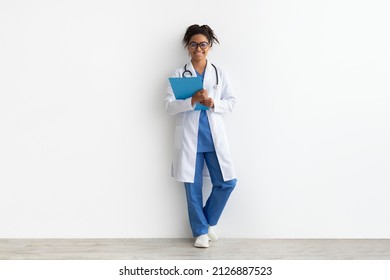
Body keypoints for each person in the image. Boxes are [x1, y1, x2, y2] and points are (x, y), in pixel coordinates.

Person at [164, 24, 237, 248]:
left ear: (210, 46)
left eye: (203, 44)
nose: (198, 48)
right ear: (188, 46)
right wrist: (192, 101)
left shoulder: (219, 72)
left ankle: (208, 223)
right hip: (190, 139)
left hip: (213, 138)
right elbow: (168, 107)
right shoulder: (178, 74)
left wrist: (214, 103)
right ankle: (200, 233)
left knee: (227, 182)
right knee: (192, 187)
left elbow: (232, 102)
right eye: (194, 44)